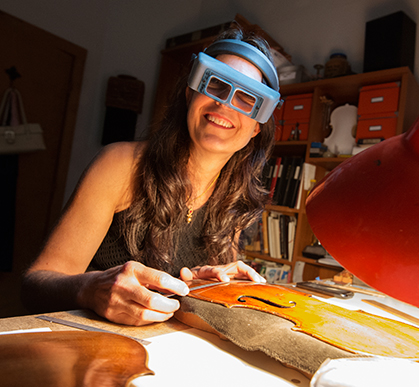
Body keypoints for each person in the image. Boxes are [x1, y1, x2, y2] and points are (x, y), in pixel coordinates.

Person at [21, 27, 282, 326]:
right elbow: (33, 287)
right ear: (190, 93)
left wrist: (197, 286)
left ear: (256, 128)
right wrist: (90, 288)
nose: (224, 103)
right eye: (216, 84)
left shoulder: (231, 200)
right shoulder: (121, 164)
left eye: (247, 98)